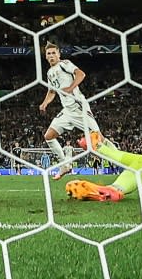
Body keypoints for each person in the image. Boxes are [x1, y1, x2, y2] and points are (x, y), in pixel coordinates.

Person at [39, 42, 102, 180]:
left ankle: (121, 162)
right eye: (48, 54)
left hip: (78, 107)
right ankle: (65, 165)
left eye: (53, 53)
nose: (51, 56)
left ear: (58, 54)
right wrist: (44, 103)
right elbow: (51, 91)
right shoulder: (49, 73)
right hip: (67, 111)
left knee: (99, 140)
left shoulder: (65, 63)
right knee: (48, 136)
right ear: (45, 56)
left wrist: (70, 88)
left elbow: (81, 74)